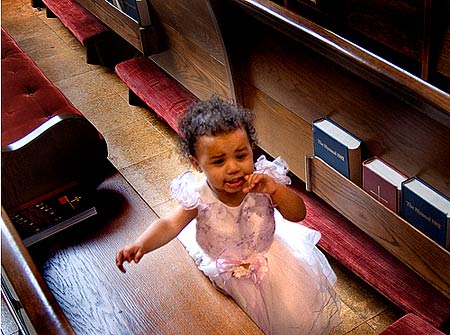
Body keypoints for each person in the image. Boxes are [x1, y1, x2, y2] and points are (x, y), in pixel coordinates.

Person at [116, 97, 341, 334]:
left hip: (270, 259)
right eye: (219, 161)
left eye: (241, 156)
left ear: (251, 151)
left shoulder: (264, 181)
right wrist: (141, 244)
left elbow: (298, 214)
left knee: (291, 316)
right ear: (197, 164)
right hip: (224, 266)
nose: (233, 167)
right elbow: (170, 224)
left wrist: (276, 190)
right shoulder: (199, 195)